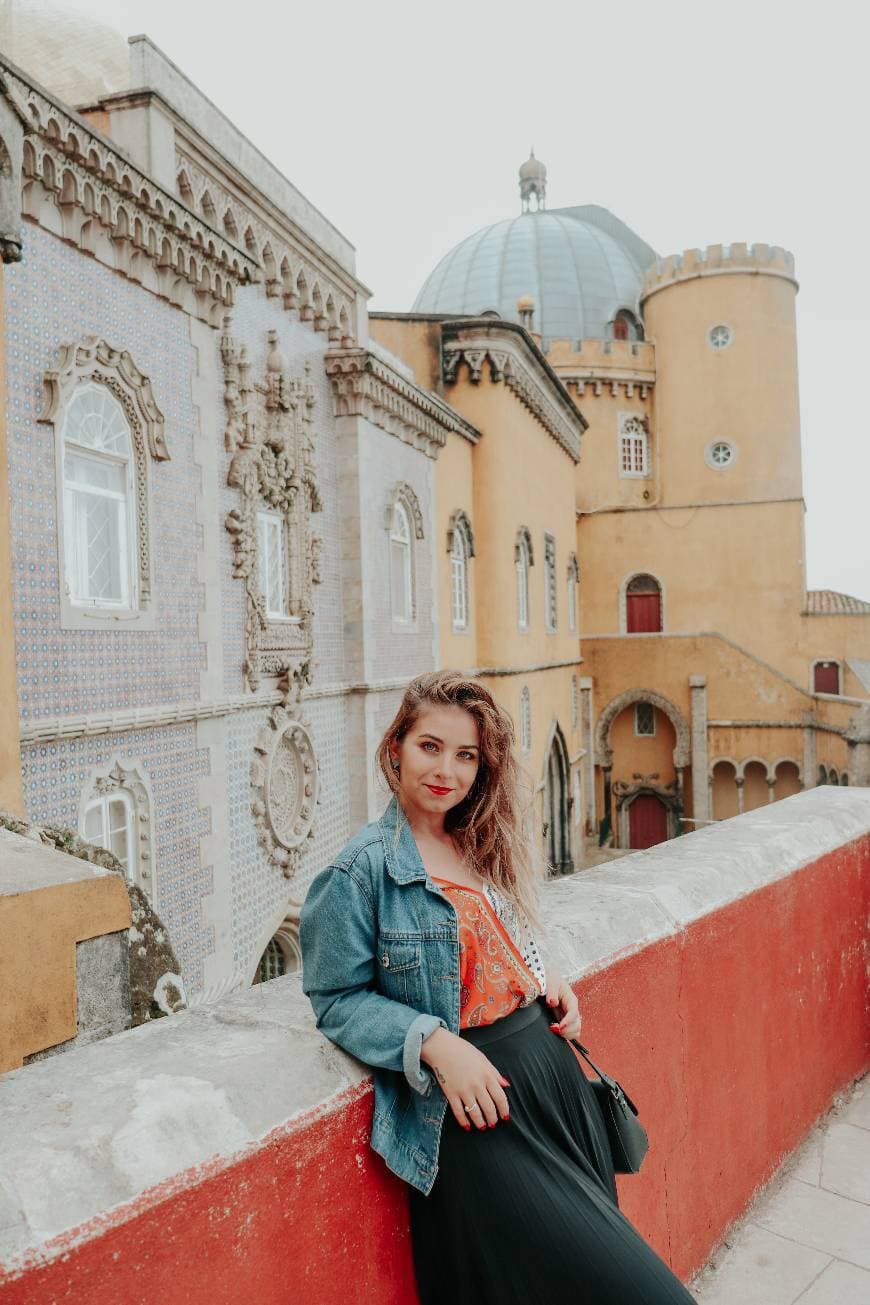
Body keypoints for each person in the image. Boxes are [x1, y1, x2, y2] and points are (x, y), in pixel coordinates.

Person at [299, 670, 695, 1303]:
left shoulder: (482, 839)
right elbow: (335, 1000)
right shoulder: (358, 871)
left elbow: (500, 938)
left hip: (554, 1084)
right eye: (429, 746)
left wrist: (545, 979)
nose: (446, 771)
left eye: (466, 756)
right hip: (475, 1114)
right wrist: (433, 1043)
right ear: (395, 746)